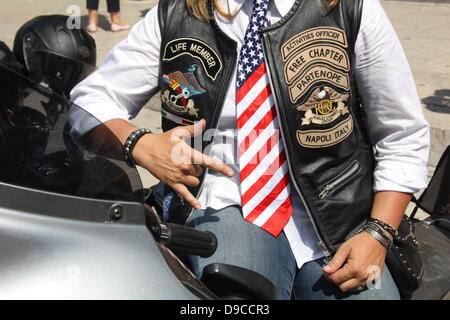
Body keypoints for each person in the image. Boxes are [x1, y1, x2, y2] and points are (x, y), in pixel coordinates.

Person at [71, 0, 430, 300]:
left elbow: (402, 132)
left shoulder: (351, 8)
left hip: (340, 213)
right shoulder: (177, 13)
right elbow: (89, 103)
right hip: (229, 200)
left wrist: (378, 233)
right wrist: (139, 142)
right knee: (234, 294)